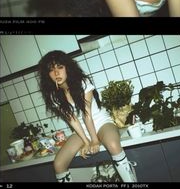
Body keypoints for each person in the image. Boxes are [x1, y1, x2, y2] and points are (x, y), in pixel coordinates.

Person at [38, 50, 137, 182]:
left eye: (60, 67)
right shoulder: (54, 95)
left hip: (101, 122)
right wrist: (86, 141)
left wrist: (94, 140)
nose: (56, 73)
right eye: (51, 70)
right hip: (81, 130)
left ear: (67, 67)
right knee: (59, 164)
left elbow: (86, 115)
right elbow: (73, 120)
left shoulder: (82, 83)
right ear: (47, 75)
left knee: (113, 145)